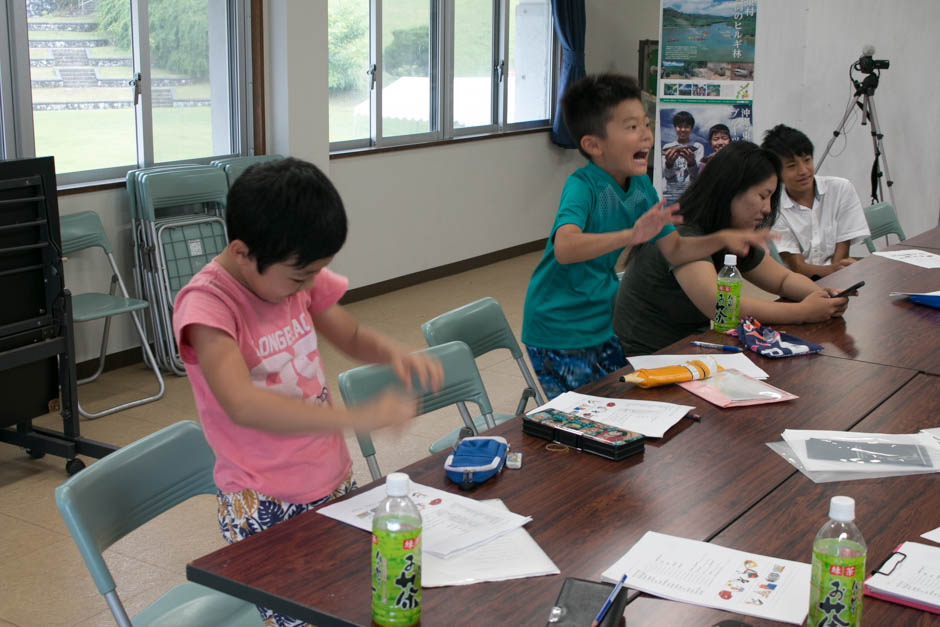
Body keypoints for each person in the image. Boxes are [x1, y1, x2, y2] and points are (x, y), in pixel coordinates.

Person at [172, 158, 442, 627]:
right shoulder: (208, 307)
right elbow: (242, 403)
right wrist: (356, 418)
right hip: (264, 499)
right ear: (242, 252)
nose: (310, 286)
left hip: (329, 476)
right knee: (305, 615)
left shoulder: (293, 276)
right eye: (300, 277)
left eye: (317, 273)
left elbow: (349, 334)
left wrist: (395, 354)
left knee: (353, 604)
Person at [521, 74, 771, 400]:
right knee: (588, 412)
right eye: (632, 127)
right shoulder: (582, 186)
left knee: (623, 400)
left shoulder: (640, 187)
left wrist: (722, 238)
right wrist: (631, 234)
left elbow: (676, 249)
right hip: (557, 327)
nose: (647, 136)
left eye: (646, 124)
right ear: (594, 145)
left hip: (599, 323)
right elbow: (565, 247)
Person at [614, 141, 851, 356]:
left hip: (690, 348)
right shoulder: (683, 233)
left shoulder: (727, 230)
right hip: (645, 361)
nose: (767, 209)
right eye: (763, 196)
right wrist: (804, 312)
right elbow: (719, 306)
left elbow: (782, 279)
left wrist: (822, 298)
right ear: (730, 190)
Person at [761, 124, 870, 279]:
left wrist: (837, 275)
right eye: (792, 166)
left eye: (807, 160)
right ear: (776, 172)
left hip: (839, 279)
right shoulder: (773, 207)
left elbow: (842, 253)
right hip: (797, 283)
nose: (803, 171)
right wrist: (835, 271)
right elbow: (797, 267)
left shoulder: (840, 189)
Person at [662, 110, 705, 204]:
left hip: (690, 195)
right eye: (679, 126)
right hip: (671, 194)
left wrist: (692, 163)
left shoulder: (698, 146)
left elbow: (696, 175)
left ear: (691, 128)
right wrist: (669, 164)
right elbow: (667, 175)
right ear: (675, 127)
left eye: (686, 126)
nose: (683, 129)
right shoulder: (667, 147)